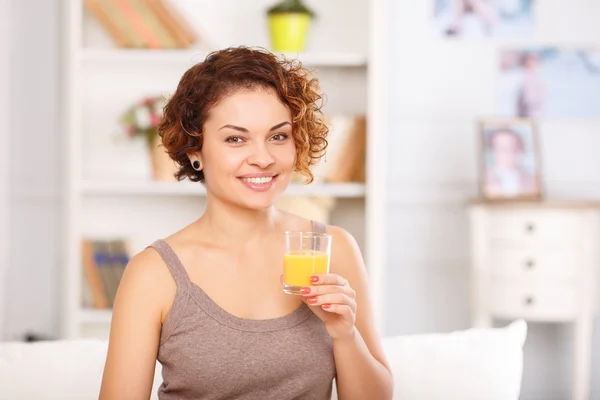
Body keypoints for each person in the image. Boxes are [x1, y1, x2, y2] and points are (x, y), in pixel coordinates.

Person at [98, 46, 393, 400]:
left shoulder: (333, 248)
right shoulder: (154, 273)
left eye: (278, 136)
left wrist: (344, 334)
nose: (263, 158)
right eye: (235, 139)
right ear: (195, 151)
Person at [484, 128, 538, 198]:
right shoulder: (486, 177)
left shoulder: (531, 178)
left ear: (520, 150)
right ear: (494, 151)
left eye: (512, 147)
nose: (507, 153)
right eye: (502, 148)